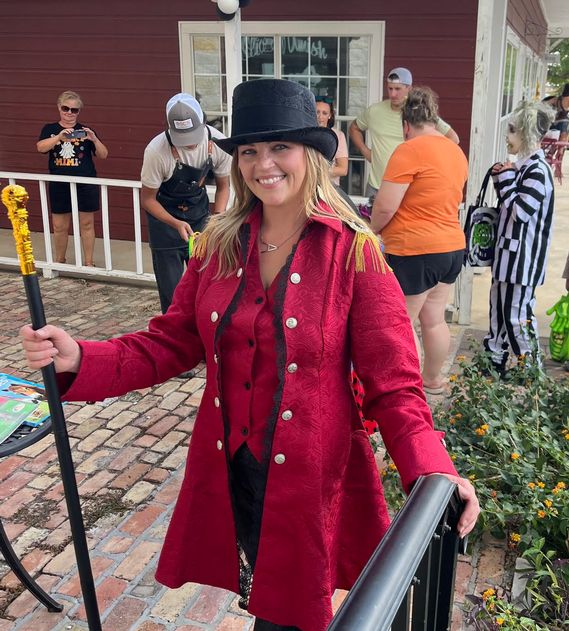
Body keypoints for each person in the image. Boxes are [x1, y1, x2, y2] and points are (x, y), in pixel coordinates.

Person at [20, 79, 479, 631]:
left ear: (310, 154)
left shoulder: (355, 252)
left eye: (280, 147)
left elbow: (396, 384)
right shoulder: (217, 246)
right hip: (231, 469)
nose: (265, 165)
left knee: (289, 614)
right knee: (265, 601)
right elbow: (170, 342)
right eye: (249, 151)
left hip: (309, 480)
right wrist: (80, 358)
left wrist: (433, 470)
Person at [370, 87, 468, 395]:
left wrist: (372, 230)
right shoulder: (455, 151)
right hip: (452, 247)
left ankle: (406, 388)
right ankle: (433, 380)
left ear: (406, 125)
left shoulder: (409, 150)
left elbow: (385, 206)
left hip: (415, 250)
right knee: (435, 319)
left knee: (403, 322)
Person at [141, 93, 232, 313]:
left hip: (199, 216)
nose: (189, 143)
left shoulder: (218, 142)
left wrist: (216, 221)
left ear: (203, 122)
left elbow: (223, 187)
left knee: (205, 286)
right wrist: (175, 223)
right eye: (183, 137)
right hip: (164, 221)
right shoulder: (156, 151)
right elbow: (147, 199)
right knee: (172, 294)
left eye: (193, 135)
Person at [484, 100, 555, 375]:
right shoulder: (526, 168)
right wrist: (507, 176)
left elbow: (521, 212)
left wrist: (505, 178)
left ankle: (531, 372)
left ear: (527, 134)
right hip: (509, 257)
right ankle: (494, 364)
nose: (507, 136)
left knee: (516, 316)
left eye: (512, 130)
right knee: (499, 314)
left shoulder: (537, 170)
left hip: (522, 261)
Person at [349, 67, 459, 200]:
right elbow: (354, 127)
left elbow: (453, 138)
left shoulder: (420, 113)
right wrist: (364, 150)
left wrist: (429, 158)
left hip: (408, 189)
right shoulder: (374, 111)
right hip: (376, 186)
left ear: (409, 88)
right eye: (390, 88)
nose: (393, 94)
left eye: (398, 89)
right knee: (368, 221)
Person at [37, 90, 108, 266]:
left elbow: (103, 154)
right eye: (66, 108)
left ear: (79, 112)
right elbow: (40, 148)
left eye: (74, 110)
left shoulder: (85, 131)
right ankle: (60, 261)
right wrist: (59, 138)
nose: (69, 113)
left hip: (85, 182)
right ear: (59, 108)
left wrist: (94, 139)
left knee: (87, 224)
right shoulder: (50, 129)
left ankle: (89, 263)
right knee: (59, 226)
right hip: (59, 183)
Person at [315, 96, 348, 185]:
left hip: (330, 187)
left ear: (330, 115)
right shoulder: (303, 133)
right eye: (317, 112)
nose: (320, 116)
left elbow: (343, 169)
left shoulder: (338, 136)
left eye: (324, 113)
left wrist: (316, 172)